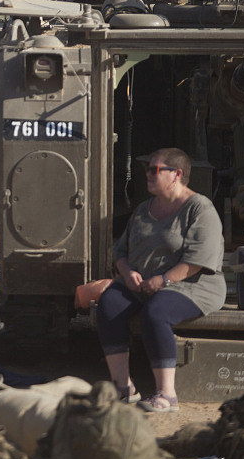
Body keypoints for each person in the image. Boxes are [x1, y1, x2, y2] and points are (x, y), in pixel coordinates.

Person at [97, 147, 226, 413]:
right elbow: (120, 251)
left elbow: (197, 260)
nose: (148, 174)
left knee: (157, 312)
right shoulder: (144, 209)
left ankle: (167, 395)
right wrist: (126, 271)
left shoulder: (200, 208)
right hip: (142, 284)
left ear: (177, 174)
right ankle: (123, 388)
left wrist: (163, 281)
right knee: (109, 304)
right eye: (147, 169)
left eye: (154, 169)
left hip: (190, 286)